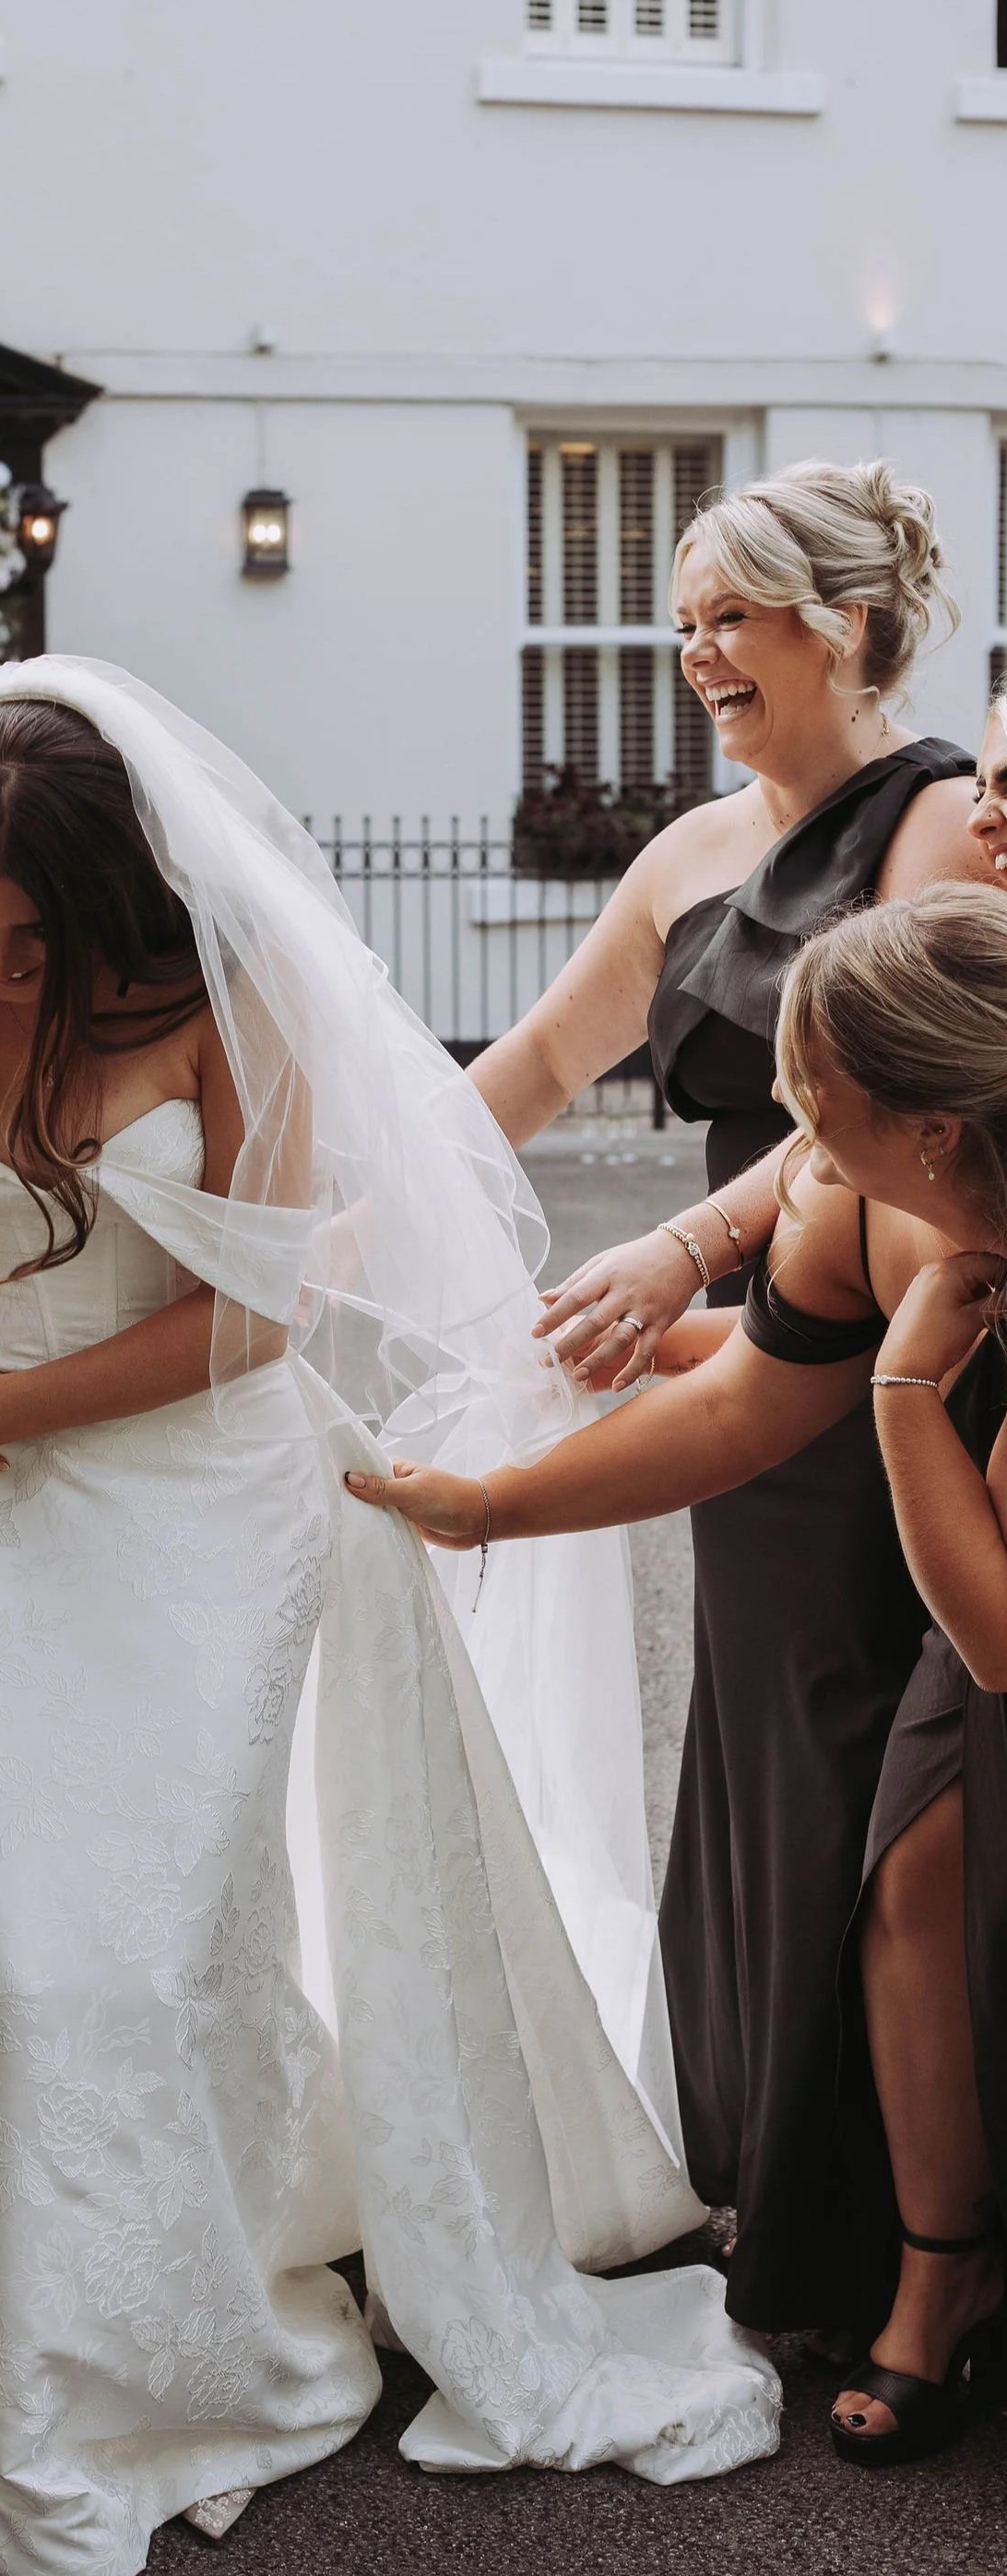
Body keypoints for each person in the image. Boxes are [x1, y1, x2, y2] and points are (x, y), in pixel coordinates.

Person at [0, 660, 779, 2576]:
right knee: (32, 1967)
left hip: (208, 1499)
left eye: (39, 933)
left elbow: (254, 1320)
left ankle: (210, 2282)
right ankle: (51, 2398)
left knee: (174, 1945)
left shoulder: (227, 991)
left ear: (124, 901)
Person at [349, 878, 1007, 2465]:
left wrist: (911, 1388)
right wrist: (491, 1504)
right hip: (976, 1569)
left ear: (929, 1128)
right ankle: (941, 2265)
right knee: (910, 1871)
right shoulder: (860, 1194)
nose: (786, 1129)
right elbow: (746, 1405)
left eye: (812, 1100)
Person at [468, 459, 991, 2341]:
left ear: (846, 624)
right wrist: (333, 1217)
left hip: (875, 1343)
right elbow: (530, 1062)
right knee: (762, 1744)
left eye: (731, 613)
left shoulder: (941, 824)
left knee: (871, 1770)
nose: (694, 649)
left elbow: (862, 1109)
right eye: (681, 616)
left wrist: (679, 1255)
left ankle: (891, 2225)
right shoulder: (687, 853)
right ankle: (774, 2162)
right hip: (738, 1365)